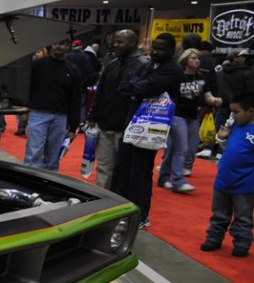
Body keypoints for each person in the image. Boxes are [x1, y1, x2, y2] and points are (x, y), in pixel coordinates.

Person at [111, 32, 183, 228]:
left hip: (153, 127)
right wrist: (139, 88)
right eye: (154, 47)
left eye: (161, 49)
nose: (156, 52)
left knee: (140, 171)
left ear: (171, 50)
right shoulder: (147, 65)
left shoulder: (173, 70)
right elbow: (124, 87)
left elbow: (144, 89)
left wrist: (138, 88)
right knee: (122, 167)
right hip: (133, 122)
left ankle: (140, 214)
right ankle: (117, 208)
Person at [87, 30, 148, 189]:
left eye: (120, 42)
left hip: (127, 128)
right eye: (115, 41)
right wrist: (93, 116)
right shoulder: (112, 64)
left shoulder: (143, 65)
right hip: (105, 124)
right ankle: (101, 199)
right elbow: (100, 92)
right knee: (103, 166)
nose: (115, 44)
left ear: (132, 43)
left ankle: (119, 201)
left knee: (123, 168)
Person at [201, 92, 254, 257]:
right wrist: (222, 138)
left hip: (245, 184)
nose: (233, 115)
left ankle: (241, 242)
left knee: (243, 216)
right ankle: (214, 238)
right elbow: (228, 150)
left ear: (251, 111)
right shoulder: (234, 126)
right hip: (223, 180)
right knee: (219, 213)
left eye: (236, 112)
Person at [158, 48, 216, 190]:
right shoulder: (177, 77)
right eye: (193, 58)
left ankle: (164, 177)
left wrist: (217, 101)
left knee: (176, 148)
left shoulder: (201, 77)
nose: (197, 61)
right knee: (182, 148)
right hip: (177, 115)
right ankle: (178, 180)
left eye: (198, 58)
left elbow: (208, 96)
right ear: (185, 60)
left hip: (193, 116)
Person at [23, 39, 81, 171]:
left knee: (53, 158)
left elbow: (75, 99)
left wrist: (73, 127)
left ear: (67, 46)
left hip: (60, 117)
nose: (57, 47)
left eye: (61, 44)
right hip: (38, 113)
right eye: (55, 43)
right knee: (33, 155)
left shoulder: (72, 70)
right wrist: (24, 110)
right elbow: (27, 87)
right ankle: (30, 184)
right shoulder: (38, 65)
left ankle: (48, 185)